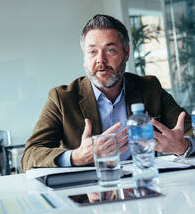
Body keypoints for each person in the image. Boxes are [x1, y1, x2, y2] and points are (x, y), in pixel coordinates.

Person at [21, 14, 194, 171]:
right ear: (85, 56)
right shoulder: (62, 99)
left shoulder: (149, 88)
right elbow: (29, 155)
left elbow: (187, 131)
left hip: (144, 187)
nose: (100, 60)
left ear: (126, 53)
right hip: (89, 196)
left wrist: (184, 146)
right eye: (92, 52)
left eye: (110, 50)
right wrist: (76, 157)